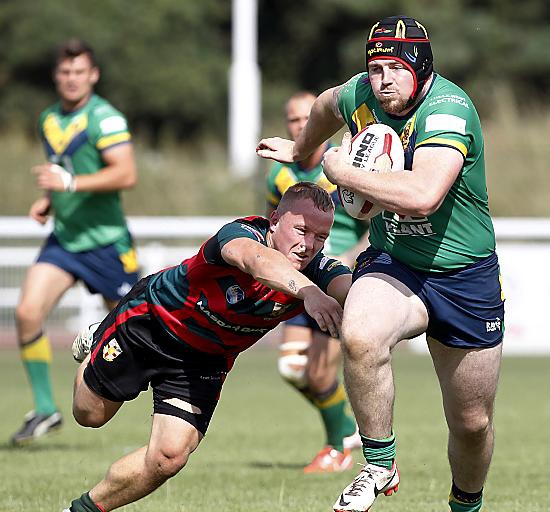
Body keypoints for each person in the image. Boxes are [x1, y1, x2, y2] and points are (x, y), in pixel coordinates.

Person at [257, 15, 504, 512]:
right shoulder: (361, 95)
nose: (383, 79)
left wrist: (339, 169)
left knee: (471, 424)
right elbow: (327, 105)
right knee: (360, 334)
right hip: (396, 261)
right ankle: (377, 463)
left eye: (395, 68)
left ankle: (466, 504)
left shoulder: (448, 110)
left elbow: (423, 196)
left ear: (422, 68)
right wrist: (303, 151)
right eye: (375, 69)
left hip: (464, 277)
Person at [61, 183, 352, 512]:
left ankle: (81, 511)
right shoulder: (241, 235)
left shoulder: (316, 271)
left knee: (169, 457)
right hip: (151, 325)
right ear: (274, 220)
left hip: (203, 362)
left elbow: (352, 289)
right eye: (301, 230)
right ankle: (101, 335)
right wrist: (310, 293)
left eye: (320, 237)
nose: (308, 244)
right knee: (88, 415)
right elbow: (256, 261)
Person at [11, 39, 139, 446]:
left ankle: (170, 399)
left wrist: (69, 184)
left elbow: (125, 174)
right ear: (56, 76)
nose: (71, 79)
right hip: (66, 240)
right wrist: (51, 200)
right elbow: (66, 169)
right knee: (28, 312)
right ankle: (46, 409)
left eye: (79, 71)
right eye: (65, 72)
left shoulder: (106, 119)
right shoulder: (49, 118)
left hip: (106, 244)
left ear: (93, 75)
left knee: (136, 327)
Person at [266, 91, 367, 473]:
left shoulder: (346, 167)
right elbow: (270, 221)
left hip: (336, 277)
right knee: (292, 368)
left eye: (306, 118)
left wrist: (352, 258)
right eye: (292, 119)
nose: (298, 125)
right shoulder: (278, 173)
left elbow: (377, 226)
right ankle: (346, 426)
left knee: (320, 372)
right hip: (297, 276)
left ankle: (336, 447)